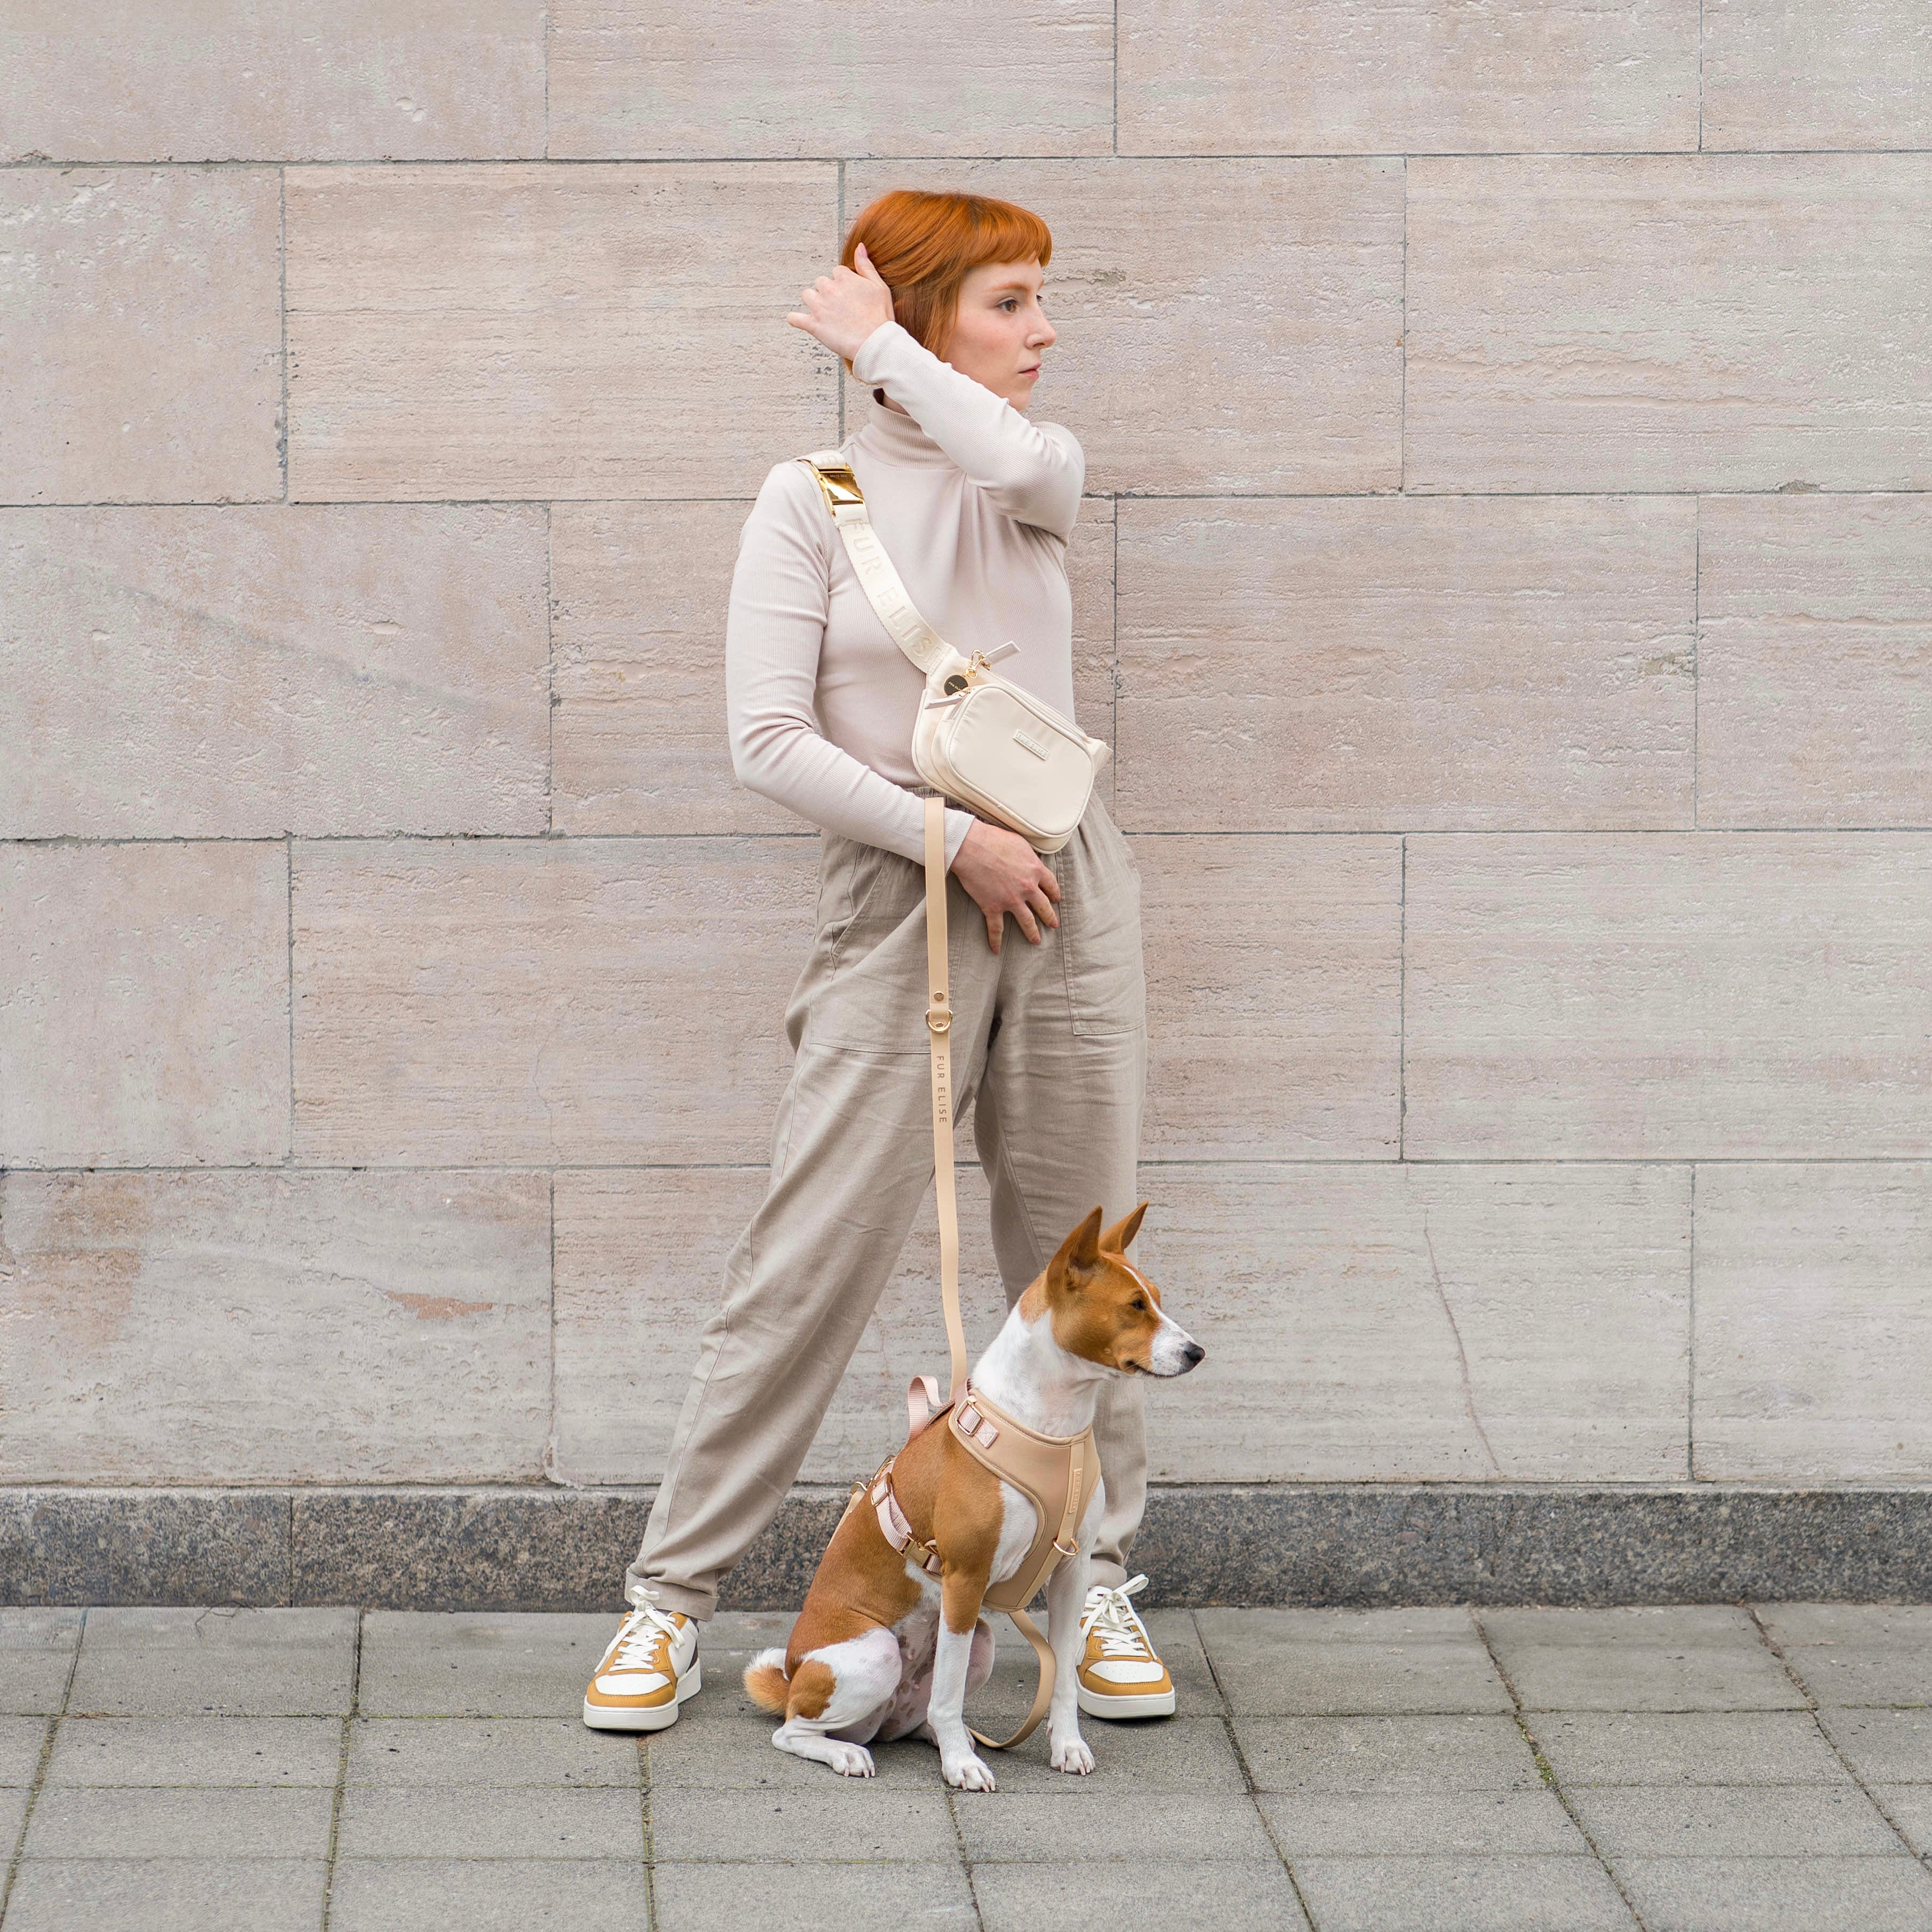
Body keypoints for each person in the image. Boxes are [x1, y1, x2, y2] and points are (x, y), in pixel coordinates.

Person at [582, 188, 1174, 1736]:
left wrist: (894, 355)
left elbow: (1015, 454)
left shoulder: (1029, 479)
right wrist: (944, 838)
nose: (1044, 332)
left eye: (1043, 301)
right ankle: (671, 1599)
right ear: (918, 321)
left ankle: (1094, 1576)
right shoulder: (808, 497)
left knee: (1079, 1256)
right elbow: (765, 741)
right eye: (1007, 303)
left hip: (1067, 878)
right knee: (810, 1257)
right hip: (900, 889)